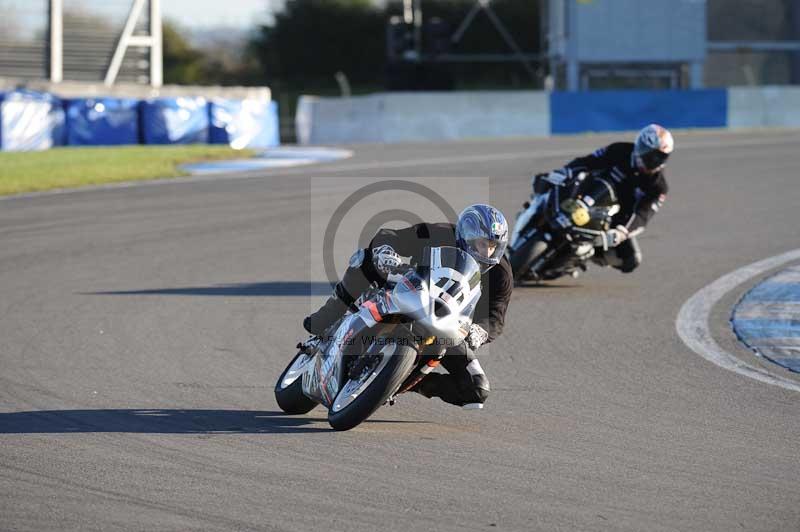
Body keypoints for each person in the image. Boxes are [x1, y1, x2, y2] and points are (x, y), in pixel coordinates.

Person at [303, 204, 513, 409]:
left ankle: (402, 381)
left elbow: (495, 316)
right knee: (365, 259)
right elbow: (391, 236)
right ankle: (329, 315)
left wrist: (480, 331)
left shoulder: (501, 273)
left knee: (476, 390)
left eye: (492, 246)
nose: (486, 251)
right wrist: (386, 251)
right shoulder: (438, 232)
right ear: (466, 235)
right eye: (482, 243)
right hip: (407, 291)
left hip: (446, 324)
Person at [538, 123, 673, 273]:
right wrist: (565, 172)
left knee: (631, 260)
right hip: (584, 193)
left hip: (610, 218)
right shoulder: (619, 150)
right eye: (647, 152)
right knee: (547, 181)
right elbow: (588, 162)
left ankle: (582, 256)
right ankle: (537, 208)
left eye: (658, 157)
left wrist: (622, 231)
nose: (651, 159)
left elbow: (643, 214)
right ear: (639, 145)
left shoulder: (658, 187)